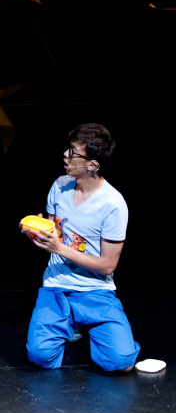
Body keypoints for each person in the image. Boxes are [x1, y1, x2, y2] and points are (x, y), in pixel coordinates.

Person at [22, 123, 140, 372]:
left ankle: (92, 329)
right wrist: (39, 232)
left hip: (96, 291)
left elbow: (108, 265)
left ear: (92, 165)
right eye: (67, 149)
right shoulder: (60, 185)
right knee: (41, 356)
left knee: (120, 362)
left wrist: (59, 249)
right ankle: (70, 324)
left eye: (73, 153)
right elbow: (55, 232)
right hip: (57, 287)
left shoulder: (113, 204)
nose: (66, 155)